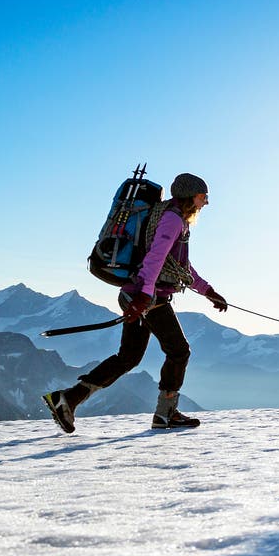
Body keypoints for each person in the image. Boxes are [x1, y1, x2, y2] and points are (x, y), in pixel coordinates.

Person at [43, 173, 227, 432]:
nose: (205, 202)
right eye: (202, 196)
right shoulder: (173, 220)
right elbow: (155, 257)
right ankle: (165, 414)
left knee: (128, 357)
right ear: (189, 195)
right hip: (147, 298)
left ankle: (68, 399)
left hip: (139, 295)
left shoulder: (172, 217)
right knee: (179, 351)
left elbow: (179, 265)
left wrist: (208, 291)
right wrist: (144, 296)